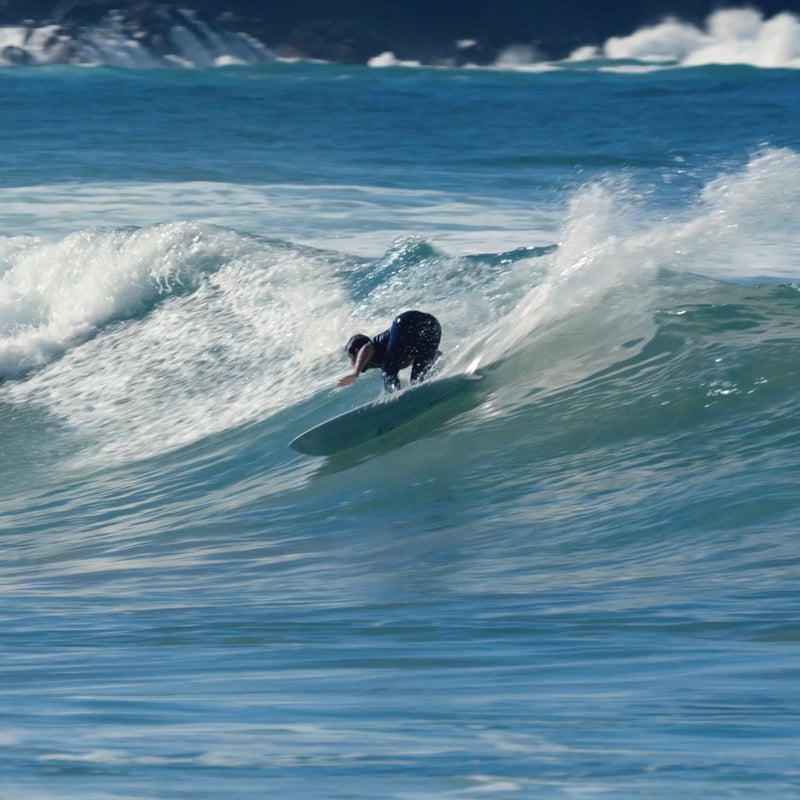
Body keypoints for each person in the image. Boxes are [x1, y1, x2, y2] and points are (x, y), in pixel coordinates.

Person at [338, 310, 442, 392]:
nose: (352, 363)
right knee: (419, 380)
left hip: (405, 321)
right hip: (432, 325)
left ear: (357, 351)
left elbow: (366, 349)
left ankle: (397, 399)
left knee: (388, 373)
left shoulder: (374, 346)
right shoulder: (398, 352)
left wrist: (355, 373)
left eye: (351, 358)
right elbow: (428, 354)